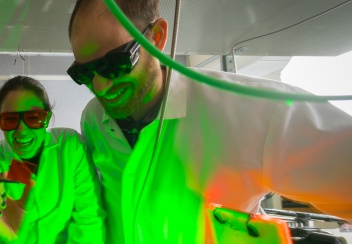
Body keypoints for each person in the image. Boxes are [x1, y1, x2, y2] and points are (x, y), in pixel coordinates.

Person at [68, 0, 352, 243]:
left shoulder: (255, 110)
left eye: (114, 64)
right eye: (84, 73)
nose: (101, 86)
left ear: (156, 37)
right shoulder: (93, 117)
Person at [0, 76, 105, 243]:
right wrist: (6, 240)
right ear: (0, 122)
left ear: (47, 118)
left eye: (33, 117)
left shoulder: (70, 146)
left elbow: (89, 220)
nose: (21, 129)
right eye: (10, 119)